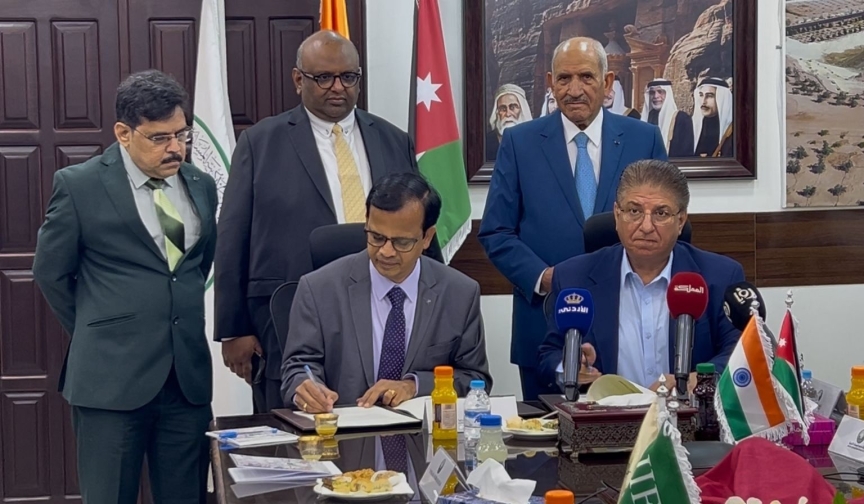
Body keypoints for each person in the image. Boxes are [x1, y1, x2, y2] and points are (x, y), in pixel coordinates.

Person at [215, 30, 438, 413]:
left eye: (348, 77)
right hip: (286, 320)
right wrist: (233, 328)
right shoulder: (260, 142)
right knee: (295, 432)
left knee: (380, 426)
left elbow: (419, 222)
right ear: (298, 79)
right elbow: (233, 237)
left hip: (385, 315)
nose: (338, 87)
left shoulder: (392, 139)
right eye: (323, 78)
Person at [33, 70, 216, 503]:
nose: (175, 148)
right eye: (160, 138)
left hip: (185, 382)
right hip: (110, 382)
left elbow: (194, 267)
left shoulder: (201, 185)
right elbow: (50, 272)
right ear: (123, 133)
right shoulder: (79, 186)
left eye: (181, 134)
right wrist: (98, 328)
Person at [478, 36, 668, 401]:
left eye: (586, 77)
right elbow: (496, 232)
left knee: (635, 430)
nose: (574, 90)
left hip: (631, 326)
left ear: (608, 82)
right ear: (550, 83)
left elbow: (664, 221)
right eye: (564, 79)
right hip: (544, 326)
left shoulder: (643, 139)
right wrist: (547, 279)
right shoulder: (519, 143)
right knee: (545, 435)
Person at [282, 172, 492, 413]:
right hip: (344, 429)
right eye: (377, 237)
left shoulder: (460, 293)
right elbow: (297, 368)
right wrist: (306, 389)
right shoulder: (318, 288)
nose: (386, 252)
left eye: (401, 242)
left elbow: (475, 379)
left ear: (427, 237)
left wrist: (414, 385)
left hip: (425, 433)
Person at [538, 159, 745, 392]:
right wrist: (569, 367)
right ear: (617, 215)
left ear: (680, 221)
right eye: (634, 211)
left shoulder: (720, 276)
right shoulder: (574, 277)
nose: (646, 226)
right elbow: (549, 355)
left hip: (687, 411)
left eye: (661, 213)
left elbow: (739, 352)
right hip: (606, 411)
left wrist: (701, 379)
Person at [640, 79, 694, 157]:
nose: (656, 96)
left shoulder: (682, 119)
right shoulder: (648, 118)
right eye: (652, 93)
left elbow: (686, 152)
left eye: (660, 92)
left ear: (668, 94)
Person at [485, 83, 533, 159]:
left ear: (522, 110)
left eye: (513, 107)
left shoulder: (534, 141)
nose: (508, 114)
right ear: (497, 112)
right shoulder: (486, 143)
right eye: (503, 108)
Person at [692, 77, 734, 157]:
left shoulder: (731, 130)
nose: (703, 101)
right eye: (701, 95)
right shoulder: (692, 127)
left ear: (721, 99)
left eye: (709, 96)